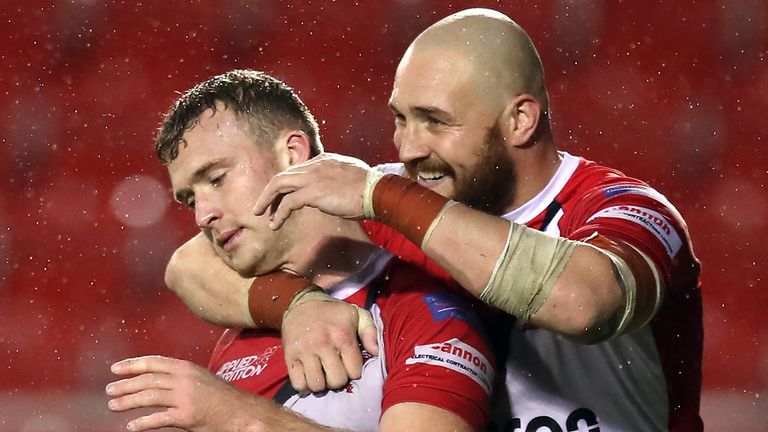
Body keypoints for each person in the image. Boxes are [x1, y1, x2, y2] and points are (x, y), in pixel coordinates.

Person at [165, 8, 703, 432]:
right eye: (400, 118)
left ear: (520, 120)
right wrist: (293, 305)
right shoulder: (399, 195)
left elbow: (585, 302)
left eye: (434, 122)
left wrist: (382, 197)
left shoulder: (624, 209)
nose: (408, 147)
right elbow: (194, 261)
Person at [105, 70, 495, 432]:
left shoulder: (421, 303)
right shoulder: (243, 325)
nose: (203, 215)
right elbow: (183, 265)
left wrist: (237, 415)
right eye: (190, 199)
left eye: (217, 178)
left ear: (292, 155)